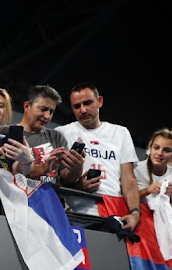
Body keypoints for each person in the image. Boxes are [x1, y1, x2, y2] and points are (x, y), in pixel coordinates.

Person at [55, 82, 141, 230]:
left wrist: (135, 213)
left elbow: (128, 178)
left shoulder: (120, 133)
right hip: (77, 213)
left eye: (88, 103)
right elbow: (56, 178)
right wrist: (78, 187)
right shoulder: (61, 133)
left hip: (115, 211)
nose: (83, 110)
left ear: (99, 101)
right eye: (77, 106)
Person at [0, 84, 85, 186]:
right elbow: (8, 173)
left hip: (49, 199)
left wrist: (76, 168)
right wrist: (44, 167)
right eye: (43, 109)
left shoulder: (56, 137)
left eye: (51, 112)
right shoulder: (6, 132)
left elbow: (66, 178)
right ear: (27, 106)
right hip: (19, 198)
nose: (47, 116)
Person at [134, 128, 172, 211]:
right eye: (156, 148)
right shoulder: (135, 169)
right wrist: (147, 190)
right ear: (150, 148)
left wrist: (170, 196)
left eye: (167, 150)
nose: (159, 153)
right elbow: (123, 197)